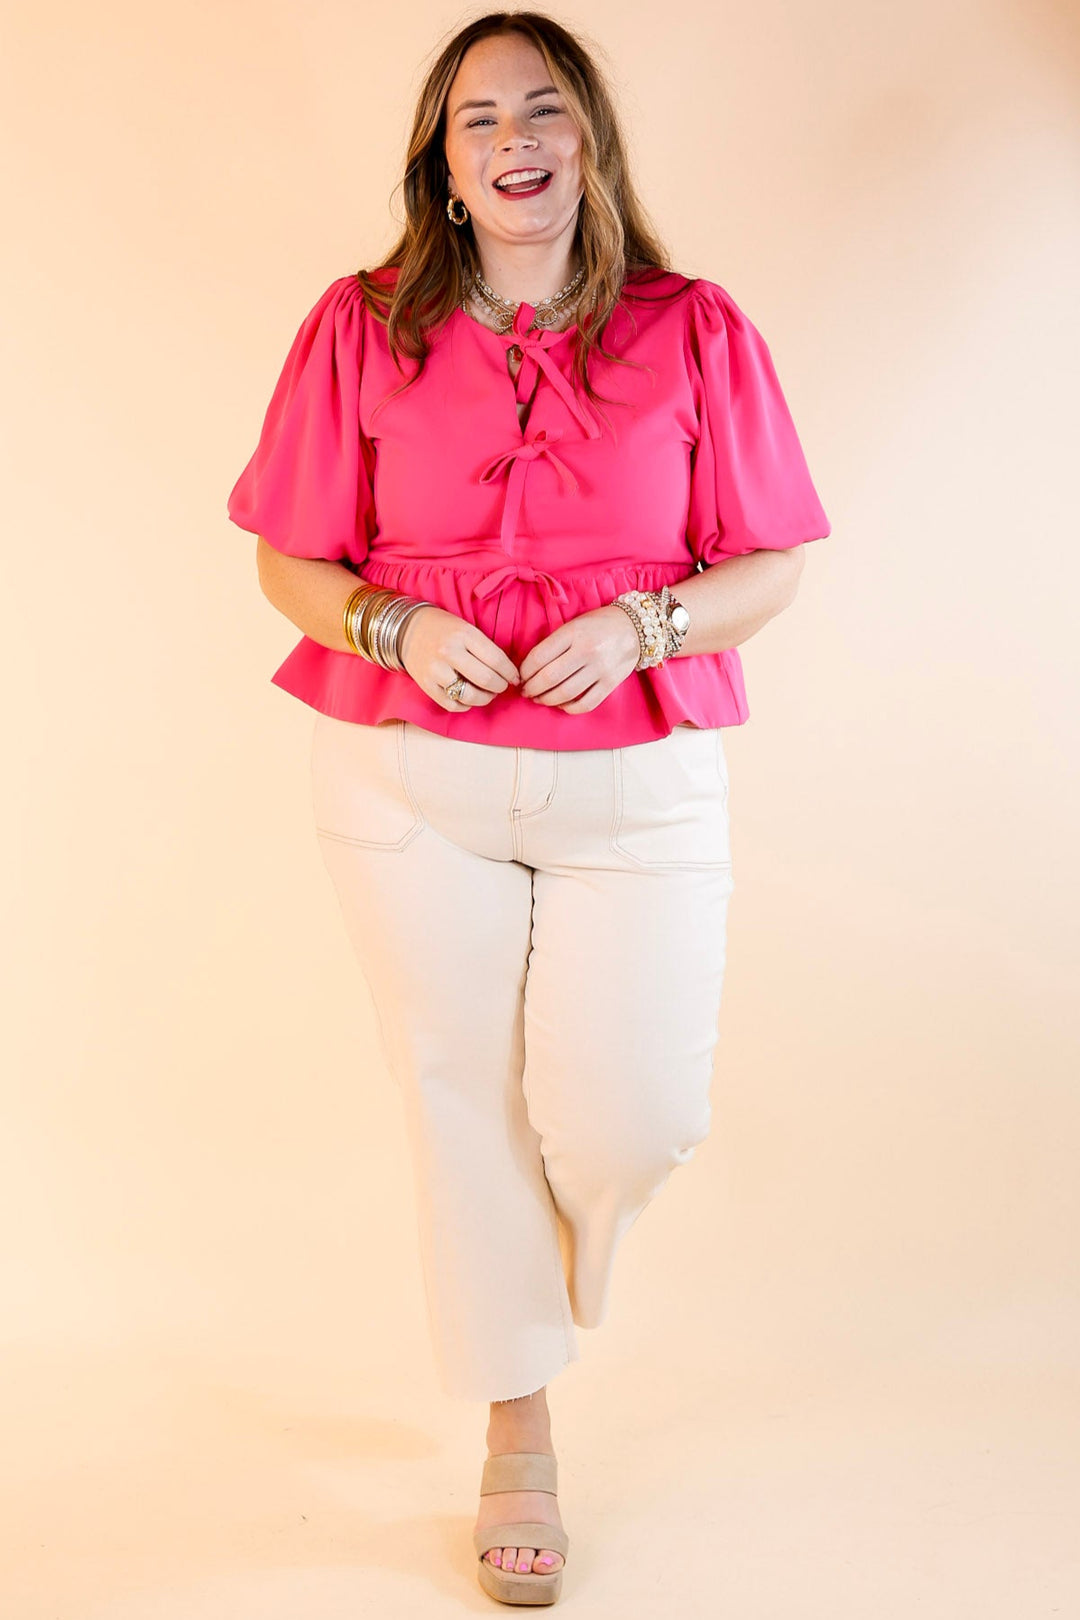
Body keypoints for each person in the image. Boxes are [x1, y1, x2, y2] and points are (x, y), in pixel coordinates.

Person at [226, 11, 831, 1606]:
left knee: (631, 1115)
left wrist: (644, 626)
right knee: (460, 1095)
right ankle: (520, 1432)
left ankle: (543, 1287)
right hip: (405, 781)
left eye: (542, 108)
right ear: (442, 157)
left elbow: (766, 564)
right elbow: (288, 557)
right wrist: (390, 622)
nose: (513, 138)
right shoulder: (360, 326)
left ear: (587, 137)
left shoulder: (693, 327)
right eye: (478, 114)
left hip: (637, 781)